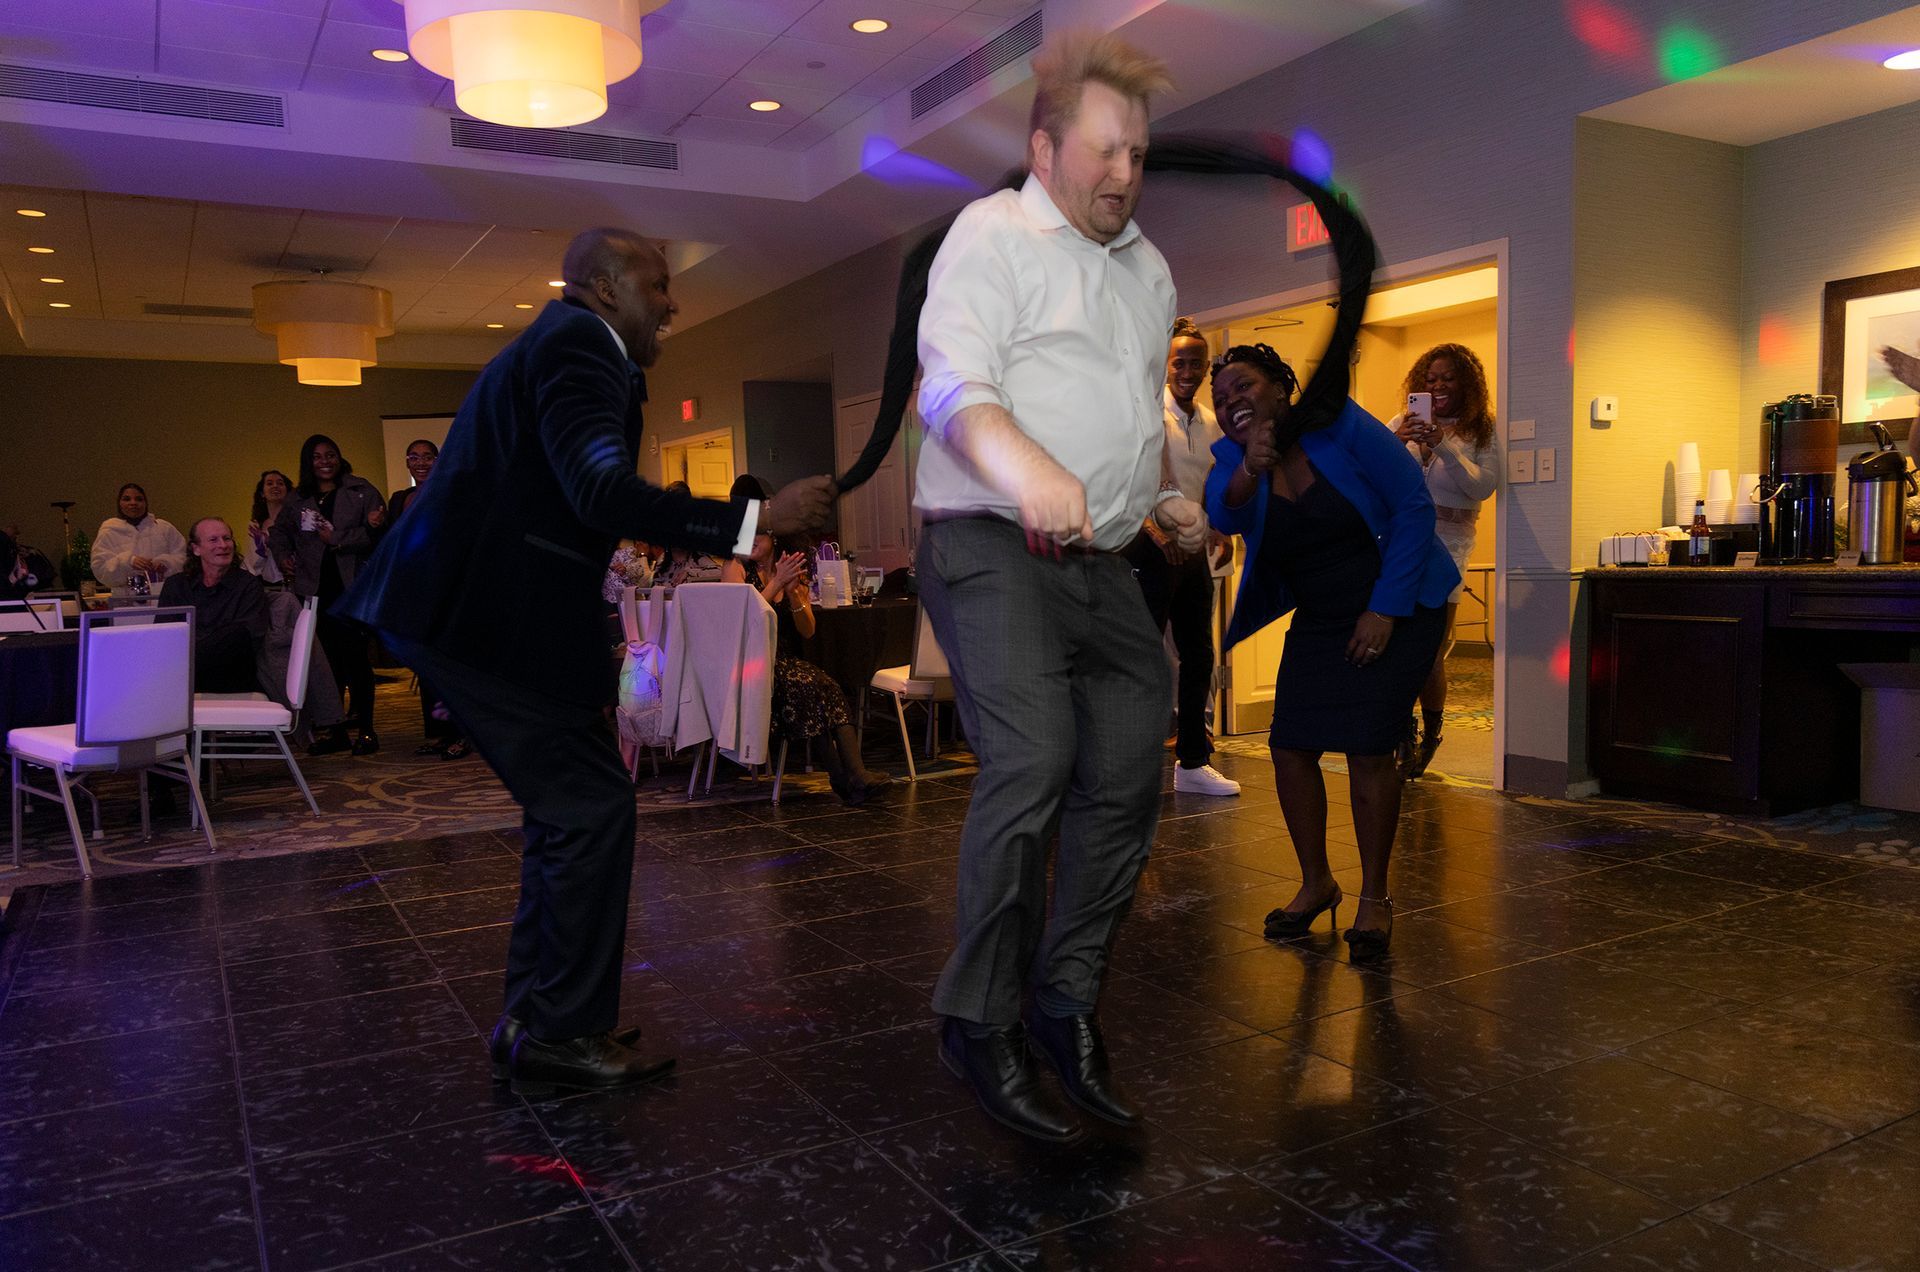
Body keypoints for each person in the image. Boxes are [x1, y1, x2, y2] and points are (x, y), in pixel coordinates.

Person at [337, 226, 834, 1097]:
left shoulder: (561, 343)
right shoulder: (580, 343)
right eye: (658, 283)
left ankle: (539, 1020)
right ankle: (560, 1030)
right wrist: (756, 522)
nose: (672, 301)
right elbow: (598, 491)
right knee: (591, 807)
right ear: (604, 287)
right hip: (481, 618)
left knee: (574, 809)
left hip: (478, 616)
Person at [913, 32, 1207, 1143]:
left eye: (1138, 153)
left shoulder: (1149, 269)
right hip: (988, 539)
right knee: (1035, 758)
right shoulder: (991, 234)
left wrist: (1162, 496)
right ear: (1044, 149)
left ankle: (1064, 998)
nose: (1124, 174)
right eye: (1104, 151)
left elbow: (1129, 411)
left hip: (1103, 556)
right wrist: (1029, 469)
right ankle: (977, 1019)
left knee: (1130, 769)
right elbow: (953, 387)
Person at [1205, 343, 1459, 961]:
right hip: (1322, 615)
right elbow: (1222, 510)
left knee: (1369, 749)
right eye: (1221, 398)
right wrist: (1251, 467)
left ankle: (1375, 897)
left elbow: (1412, 505)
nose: (1232, 402)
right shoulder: (1234, 456)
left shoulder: (1340, 422)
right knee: (1290, 745)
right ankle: (1316, 883)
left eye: (1244, 386)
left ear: (1280, 386)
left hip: (1401, 599)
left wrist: (1384, 609)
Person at [1123, 317, 1239, 797]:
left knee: (1199, 655)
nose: (1188, 371)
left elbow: (1210, 482)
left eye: (1196, 363)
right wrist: (1154, 530)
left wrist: (1217, 527)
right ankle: (1129, 767)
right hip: (1147, 548)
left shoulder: (1211, 420)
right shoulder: (1148, 412)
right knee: (1143, 660)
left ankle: (1192, 763)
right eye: (1179, 363)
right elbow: (1130, 476)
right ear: (1165, 366)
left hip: (1191, 553)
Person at [1388, 344, 1500, 779]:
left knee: (1430, 649)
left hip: (1450, 547)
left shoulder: (1482, 430)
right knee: (1395, 645)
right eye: (1430, 379)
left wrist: (1444, 446)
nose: (1437, 386)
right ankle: (1401, 731)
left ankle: (1432, 731)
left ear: (1466, 384)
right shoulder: (1401, 422)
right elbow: (1370, 474)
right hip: (1400, 544)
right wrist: (1397, 441)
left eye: (1448, 378)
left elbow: (1482, 487)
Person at [723, 530, 892, 805]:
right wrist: (777, 582)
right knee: (809, 686)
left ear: (773, 536)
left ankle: (852, 775)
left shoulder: (788, 569)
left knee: (826, 685)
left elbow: (808, 630)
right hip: (750, 664)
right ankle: (846, 778)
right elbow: (741, 620)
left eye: (758, 533)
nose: (750, 539)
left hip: (786, 662)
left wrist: (793, 595)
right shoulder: (735, 567)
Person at [270, 435, 387, 755]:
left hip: (351, 588)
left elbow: (379, 534)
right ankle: (336, 730)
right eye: (317, 456)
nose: (325, 461)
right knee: (326, 662)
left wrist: (337, 538)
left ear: (339, 457)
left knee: (356, 659)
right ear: (308, 462)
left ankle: (366, 730)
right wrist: (283, 555)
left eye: (330, 455)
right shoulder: (298, 498)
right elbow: (279, 532)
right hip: (314, 590)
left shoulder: (361, 490)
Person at [380, 439, 468, 760]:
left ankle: (463, 734)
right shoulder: (399, 499)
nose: (421, 463)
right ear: (407, 462)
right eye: (414, 457)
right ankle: (440, 733)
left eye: (428, 457)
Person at [158, 517, 269, 694]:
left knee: (236, 634)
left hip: (231, 677)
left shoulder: (248, 585)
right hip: (181, 678)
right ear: (196, 549)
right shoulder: (176, 585)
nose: (223, 545)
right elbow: (163, 635)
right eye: (213, 540)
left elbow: (248, 637)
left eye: (227, 538)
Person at [90, 483, 186, 591]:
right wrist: (128, 562)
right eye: (127, 499)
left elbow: (184, 558)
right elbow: (100, 569)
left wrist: (166, 563)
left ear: (145, 503)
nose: (133, 503)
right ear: (119, 503)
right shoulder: (108, 532)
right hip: (125, 597)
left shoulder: (164, 528)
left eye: (139, 499)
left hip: (162, 595)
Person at [244, 470, 292, 585]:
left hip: (294, 583)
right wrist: (261, 544)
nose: (275, 486)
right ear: (262, 493)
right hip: (266, 585)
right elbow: (251, 564)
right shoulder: (256, 525)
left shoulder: (295, 522)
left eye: (280, 483)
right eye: (270, 483)